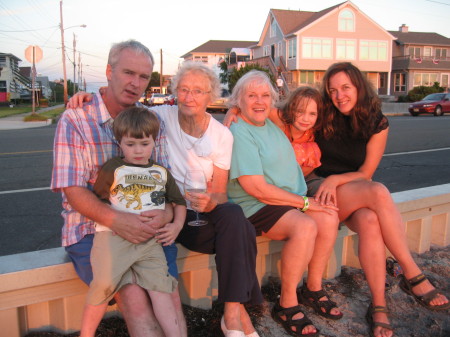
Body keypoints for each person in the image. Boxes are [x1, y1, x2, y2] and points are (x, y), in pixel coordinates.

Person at [68, 61, 264, 337]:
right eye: (183, 89)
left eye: (198, 91)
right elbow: (124, 104)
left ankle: (232, 312)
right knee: (241, 230)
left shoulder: (222, 135)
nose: (189, 97)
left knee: (233, 215)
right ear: (175, 92)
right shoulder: (161, 115)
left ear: (210, 95)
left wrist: (210, 201)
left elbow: (219, 192)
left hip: (198, 213)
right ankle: (237, 313)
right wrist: (88, 95)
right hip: (171, 213)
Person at [52, 39, 187, 337]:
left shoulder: (149, 123)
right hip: (93, 231)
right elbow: (73, 191)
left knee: (169, 295)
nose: (135, 83)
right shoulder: (76, 119)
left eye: (143, 77)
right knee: (135, 298)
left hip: (149, 230)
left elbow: (164, 184)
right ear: (109, 71)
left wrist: (166, 217)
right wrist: (119, 221)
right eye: (128, 73)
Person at [310, 62, 449, 337]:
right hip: (317, 189)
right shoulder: (322, 111)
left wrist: (337, 179)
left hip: (349, 189)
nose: (339, 96)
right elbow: (279, 112)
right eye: (333, 90)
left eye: (345, 88)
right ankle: (411, 272)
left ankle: (379, 305)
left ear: (359, 87)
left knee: (371, 220)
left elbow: (365, 172)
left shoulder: (376, 121)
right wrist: (234, 110)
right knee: (378, 192)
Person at [226, 70, 340, 337]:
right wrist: (305, 203)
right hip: (255, 204)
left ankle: (313, 288)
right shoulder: (240, 131)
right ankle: (287, 303)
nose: (259, 101)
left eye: (265, 95)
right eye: (251, 95)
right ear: (238, 100)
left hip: (283, 200)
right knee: (305, 226)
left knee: (330, 216)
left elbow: (285, 111)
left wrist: (307, 203)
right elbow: (256, 188)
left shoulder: (270, 123)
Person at [80, 107, 186, 337]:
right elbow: (97, 201)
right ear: (120, 143)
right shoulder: (113, 168)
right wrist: (119, 221)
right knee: (102, 287)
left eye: (144, 144)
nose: (138, 150)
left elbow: (179, 203)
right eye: (130, 144)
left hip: (150, 243)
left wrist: (176, 226)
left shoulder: (161, 173)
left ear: (154, 142)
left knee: (162, 290)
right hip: (114, 240)